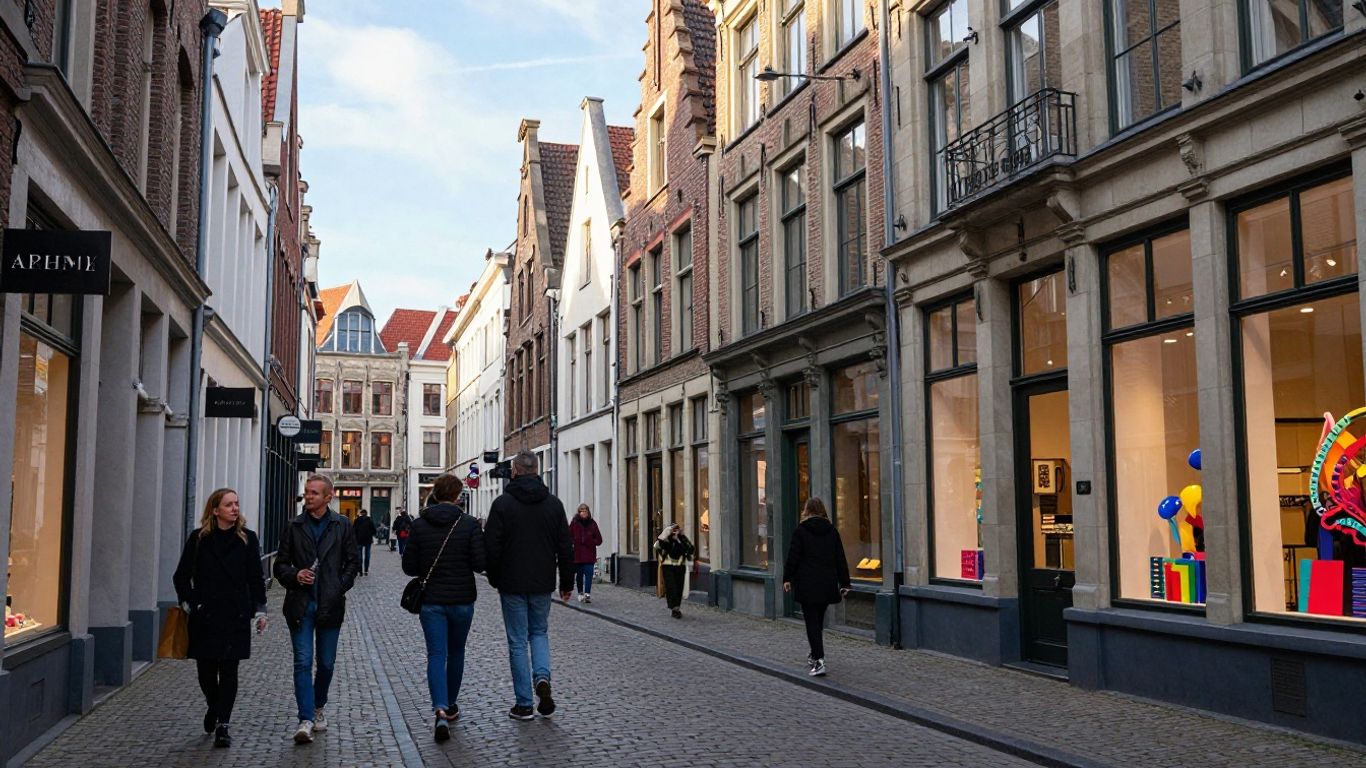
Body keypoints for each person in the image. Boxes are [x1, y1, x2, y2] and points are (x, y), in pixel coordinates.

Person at [172, 488, 267, 749]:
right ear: (215, 510)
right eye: (228, 505)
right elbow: (181, 576)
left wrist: (260, 610)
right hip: (205, 615)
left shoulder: (247, 538)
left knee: (229, 670)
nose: (235, 508)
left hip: (235, 614)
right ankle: (213, 705)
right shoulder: (199, 539)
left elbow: (256, 577)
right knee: (205, 671)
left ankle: (223, 724)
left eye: (236, 503)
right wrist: (192, 603)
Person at [484, 452, 574, 721]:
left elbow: (491, 546)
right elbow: (565, 548)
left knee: (517, 641)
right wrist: (567, 583)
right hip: (542, 582)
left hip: (511, 582)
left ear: (514, 470)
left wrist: (494, 577)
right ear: (537, 470)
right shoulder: (554, 505)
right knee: (539, 633)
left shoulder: (502, 504)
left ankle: (524, 704)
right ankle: (542, 678)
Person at [273, 474, 360, 744]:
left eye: (313, 493)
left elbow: (353, 562)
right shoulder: (294, 526)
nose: (308, 496)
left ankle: (318, 705)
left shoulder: (342, 525)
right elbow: (280, 565)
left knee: (326, 663)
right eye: (307, 492)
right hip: (300, 605)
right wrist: (295, 575)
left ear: (328, 497)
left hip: (330, 605)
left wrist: (338, 587)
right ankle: (306, 718)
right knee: (302, 661)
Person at [402, 474, 485, 741]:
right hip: (462, 599)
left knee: (436, 655)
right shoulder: (469, 524)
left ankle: (439, 709)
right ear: (458, 495)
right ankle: (450, 705)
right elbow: (479, 563)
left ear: (435, 494)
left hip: (432, 601)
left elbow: (409, 567)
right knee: (456, 652)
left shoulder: (419, 524)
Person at [782, 497, 851, 677]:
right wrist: (845, 583)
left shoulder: (801, 531)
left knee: (812, 622)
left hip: (807, 583)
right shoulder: (832, 531)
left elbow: (793, 556)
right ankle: (814, 654)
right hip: (827, 584)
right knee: (817, 621)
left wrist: (787, 578)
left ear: (807, 510)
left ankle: (819, 660)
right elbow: (840, 558)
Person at [654, 523, 694, 619]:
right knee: (671, 587)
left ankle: (676, 608)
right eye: (673, 530)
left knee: (679, 587)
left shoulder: (682, 539)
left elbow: (690, 549)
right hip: (668, 566)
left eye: (676, 530)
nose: (675, 532)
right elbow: (658, 545)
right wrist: (666, 533)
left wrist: (681, 538)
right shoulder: (665, 540)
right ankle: (674, 608)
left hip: (680, 566)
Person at [570, 504, 602, 603]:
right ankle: (580, 593)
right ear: (579, 512)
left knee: (589, 575)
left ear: (588, 512)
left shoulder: (592, 523)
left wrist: (591, 541)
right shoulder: (574, 523)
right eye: (581, 511)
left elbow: (599, 540)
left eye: (585, 511)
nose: (583, 513)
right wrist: (574, 542)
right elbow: (568, 536)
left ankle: (587, 594)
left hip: (589, 554)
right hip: (578, 554)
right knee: (579, 576)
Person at [353, 509, 376, 576]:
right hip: (368, 540)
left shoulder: (357, 520)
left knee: (359, 556)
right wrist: (370, 534)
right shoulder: (370, 520)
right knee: (367, 555)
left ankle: (360, 570)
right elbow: (374, 531)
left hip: (359, 540)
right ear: (366, 513)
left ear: (361, 513)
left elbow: (353, 530)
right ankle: (366, 570)